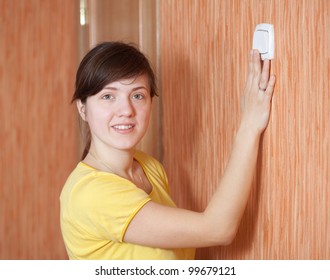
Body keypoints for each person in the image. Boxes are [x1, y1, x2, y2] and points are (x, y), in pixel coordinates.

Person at [60, 41, 276, 260]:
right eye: (108, 96)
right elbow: (217, 229)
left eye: (137, 95)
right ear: (82, 108)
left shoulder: (149, 167)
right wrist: (249, 125)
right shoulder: (91, 194)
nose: (126, 110)